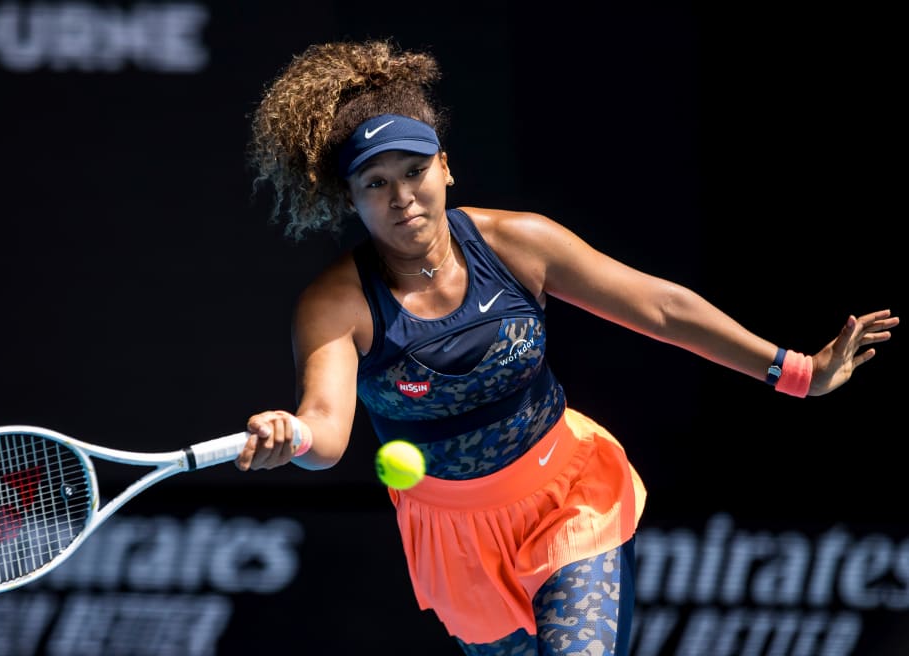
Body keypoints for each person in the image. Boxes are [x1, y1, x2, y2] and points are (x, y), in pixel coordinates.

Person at [235, 38, 898, 656]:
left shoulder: (518, 244)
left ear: (445, 165)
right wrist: (287, 435)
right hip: (456, 539)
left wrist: (796, 371)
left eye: (415, 171)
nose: (403, 197)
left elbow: (662, 308)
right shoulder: (336, 304)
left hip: (569, 492)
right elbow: (324, 435)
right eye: (376, 183)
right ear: (351, 196)